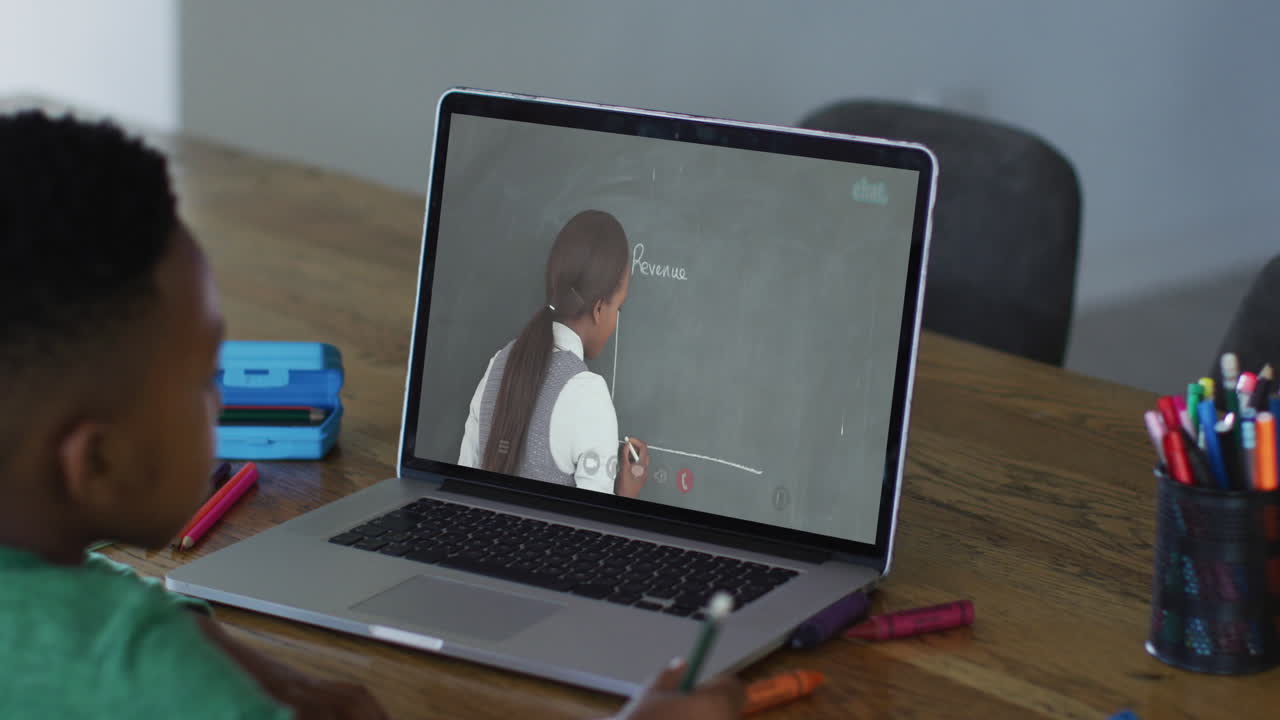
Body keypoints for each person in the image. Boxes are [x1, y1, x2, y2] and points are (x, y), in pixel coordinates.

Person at [0, 112, 741, 719]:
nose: (222, 401)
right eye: (203, 379)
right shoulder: (152, 679)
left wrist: (207, 643)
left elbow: (79, 595)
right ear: (96, 461)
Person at [458, 209, 651, 498]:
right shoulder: (588, 394)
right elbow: (591, 535)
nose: (616, 320)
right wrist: (627, 493)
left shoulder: (498, 365)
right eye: (618, 309)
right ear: (599, 309)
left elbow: (462, 491)